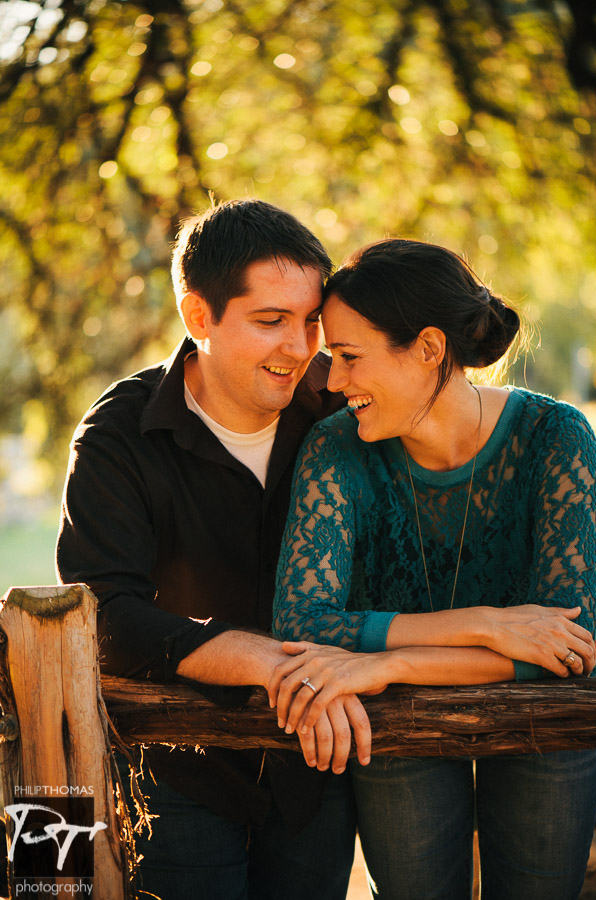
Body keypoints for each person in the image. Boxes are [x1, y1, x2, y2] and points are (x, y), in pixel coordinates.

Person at [55, 199, 373, 900]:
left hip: (316, 765)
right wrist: (265, 659)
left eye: (309, 321)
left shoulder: (342, 410)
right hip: (178, 770)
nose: (300, 347)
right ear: (200, 318)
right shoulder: (119, 435)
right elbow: (106, 615)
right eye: (270, 322)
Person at [270, 238, 596, 900]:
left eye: (350, 357)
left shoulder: (556, 438)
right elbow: (301, 622)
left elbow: (571, 647)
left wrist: (385, 663)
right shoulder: (335, 448)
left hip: (543, 724)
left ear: (426, 348)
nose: (332, 382)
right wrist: (488, 626)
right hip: (398, 725)